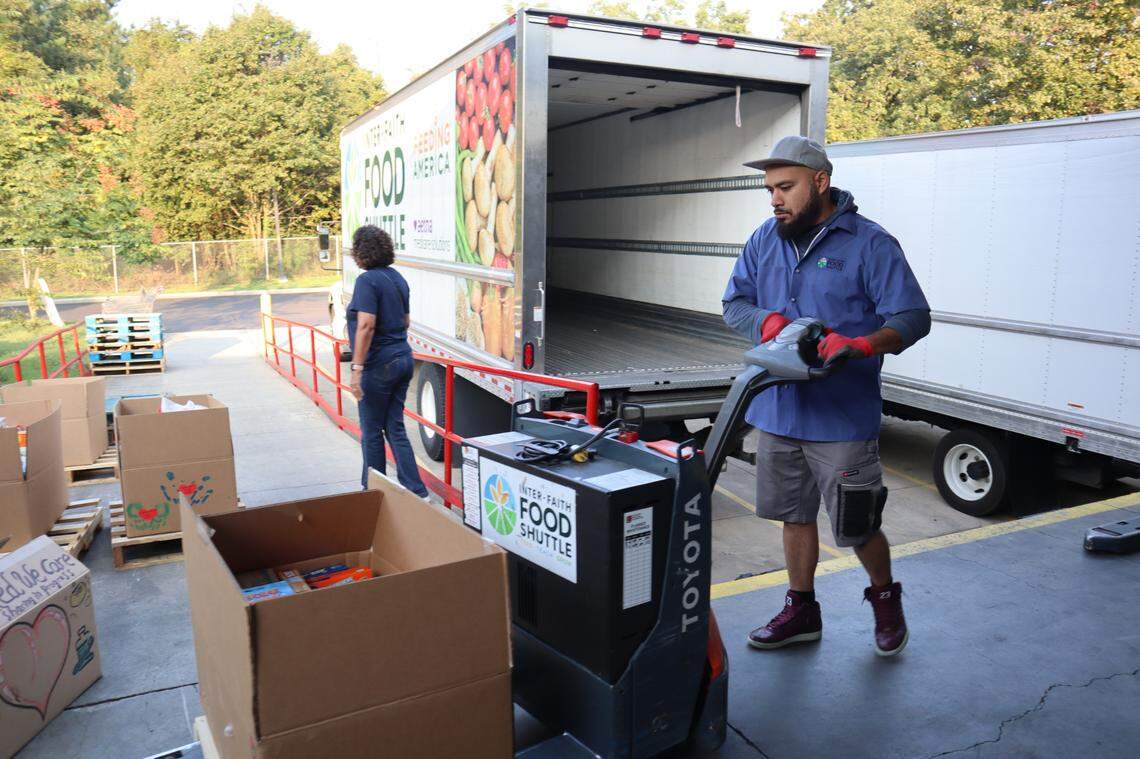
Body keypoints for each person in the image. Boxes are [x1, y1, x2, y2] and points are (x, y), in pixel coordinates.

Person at [722, 136, 931, 657]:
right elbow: (734, 303)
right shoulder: (764, 239)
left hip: (841, 418)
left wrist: (861, 345)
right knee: (793, 516)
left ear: (820, 182)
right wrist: (767, 321)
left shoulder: (870, 243)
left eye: (785, 187)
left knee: (858, 525)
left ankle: (885, 599)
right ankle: (802, 611)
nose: (775, 199)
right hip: (778, 410)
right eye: (770, 189)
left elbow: (913, 317)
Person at [346, 225, 430, 498]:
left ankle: (373, 491)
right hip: (402, 358)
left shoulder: (366, 281)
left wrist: (357, 368)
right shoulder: (397, 278)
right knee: (395, 427)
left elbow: (366, 325)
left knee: (371, 431)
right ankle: (416, 491)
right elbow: (405, 321)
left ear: (360, 251)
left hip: (378, 365)